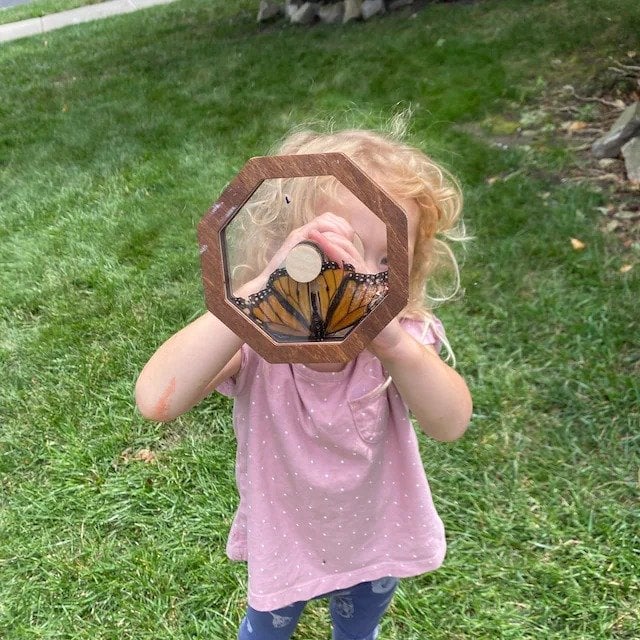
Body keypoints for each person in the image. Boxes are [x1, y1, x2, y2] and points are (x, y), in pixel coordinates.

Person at [135, 126, 473, 640]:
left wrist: (397, 346)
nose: (361, 276)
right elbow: (157, 398)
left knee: (359, 629)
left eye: (386, 262)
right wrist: (253, 295)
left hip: (375, 533)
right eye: (333, 255)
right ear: (284, 254)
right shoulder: (254, 340)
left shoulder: (403, 339)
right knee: (268, 630)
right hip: (286, 538)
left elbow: (449, 423)